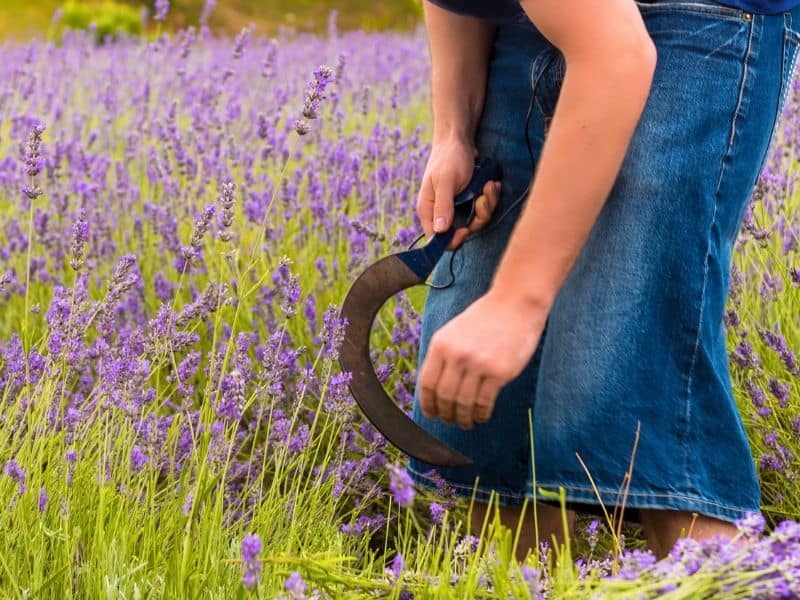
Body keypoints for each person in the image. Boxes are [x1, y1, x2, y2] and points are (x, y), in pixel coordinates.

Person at [406, 0, 800, 562]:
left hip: (697, 21)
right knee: (484, 436)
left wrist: (518, 303)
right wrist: (453, 130)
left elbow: (616, 55)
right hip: (543, 22)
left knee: (641, 403)